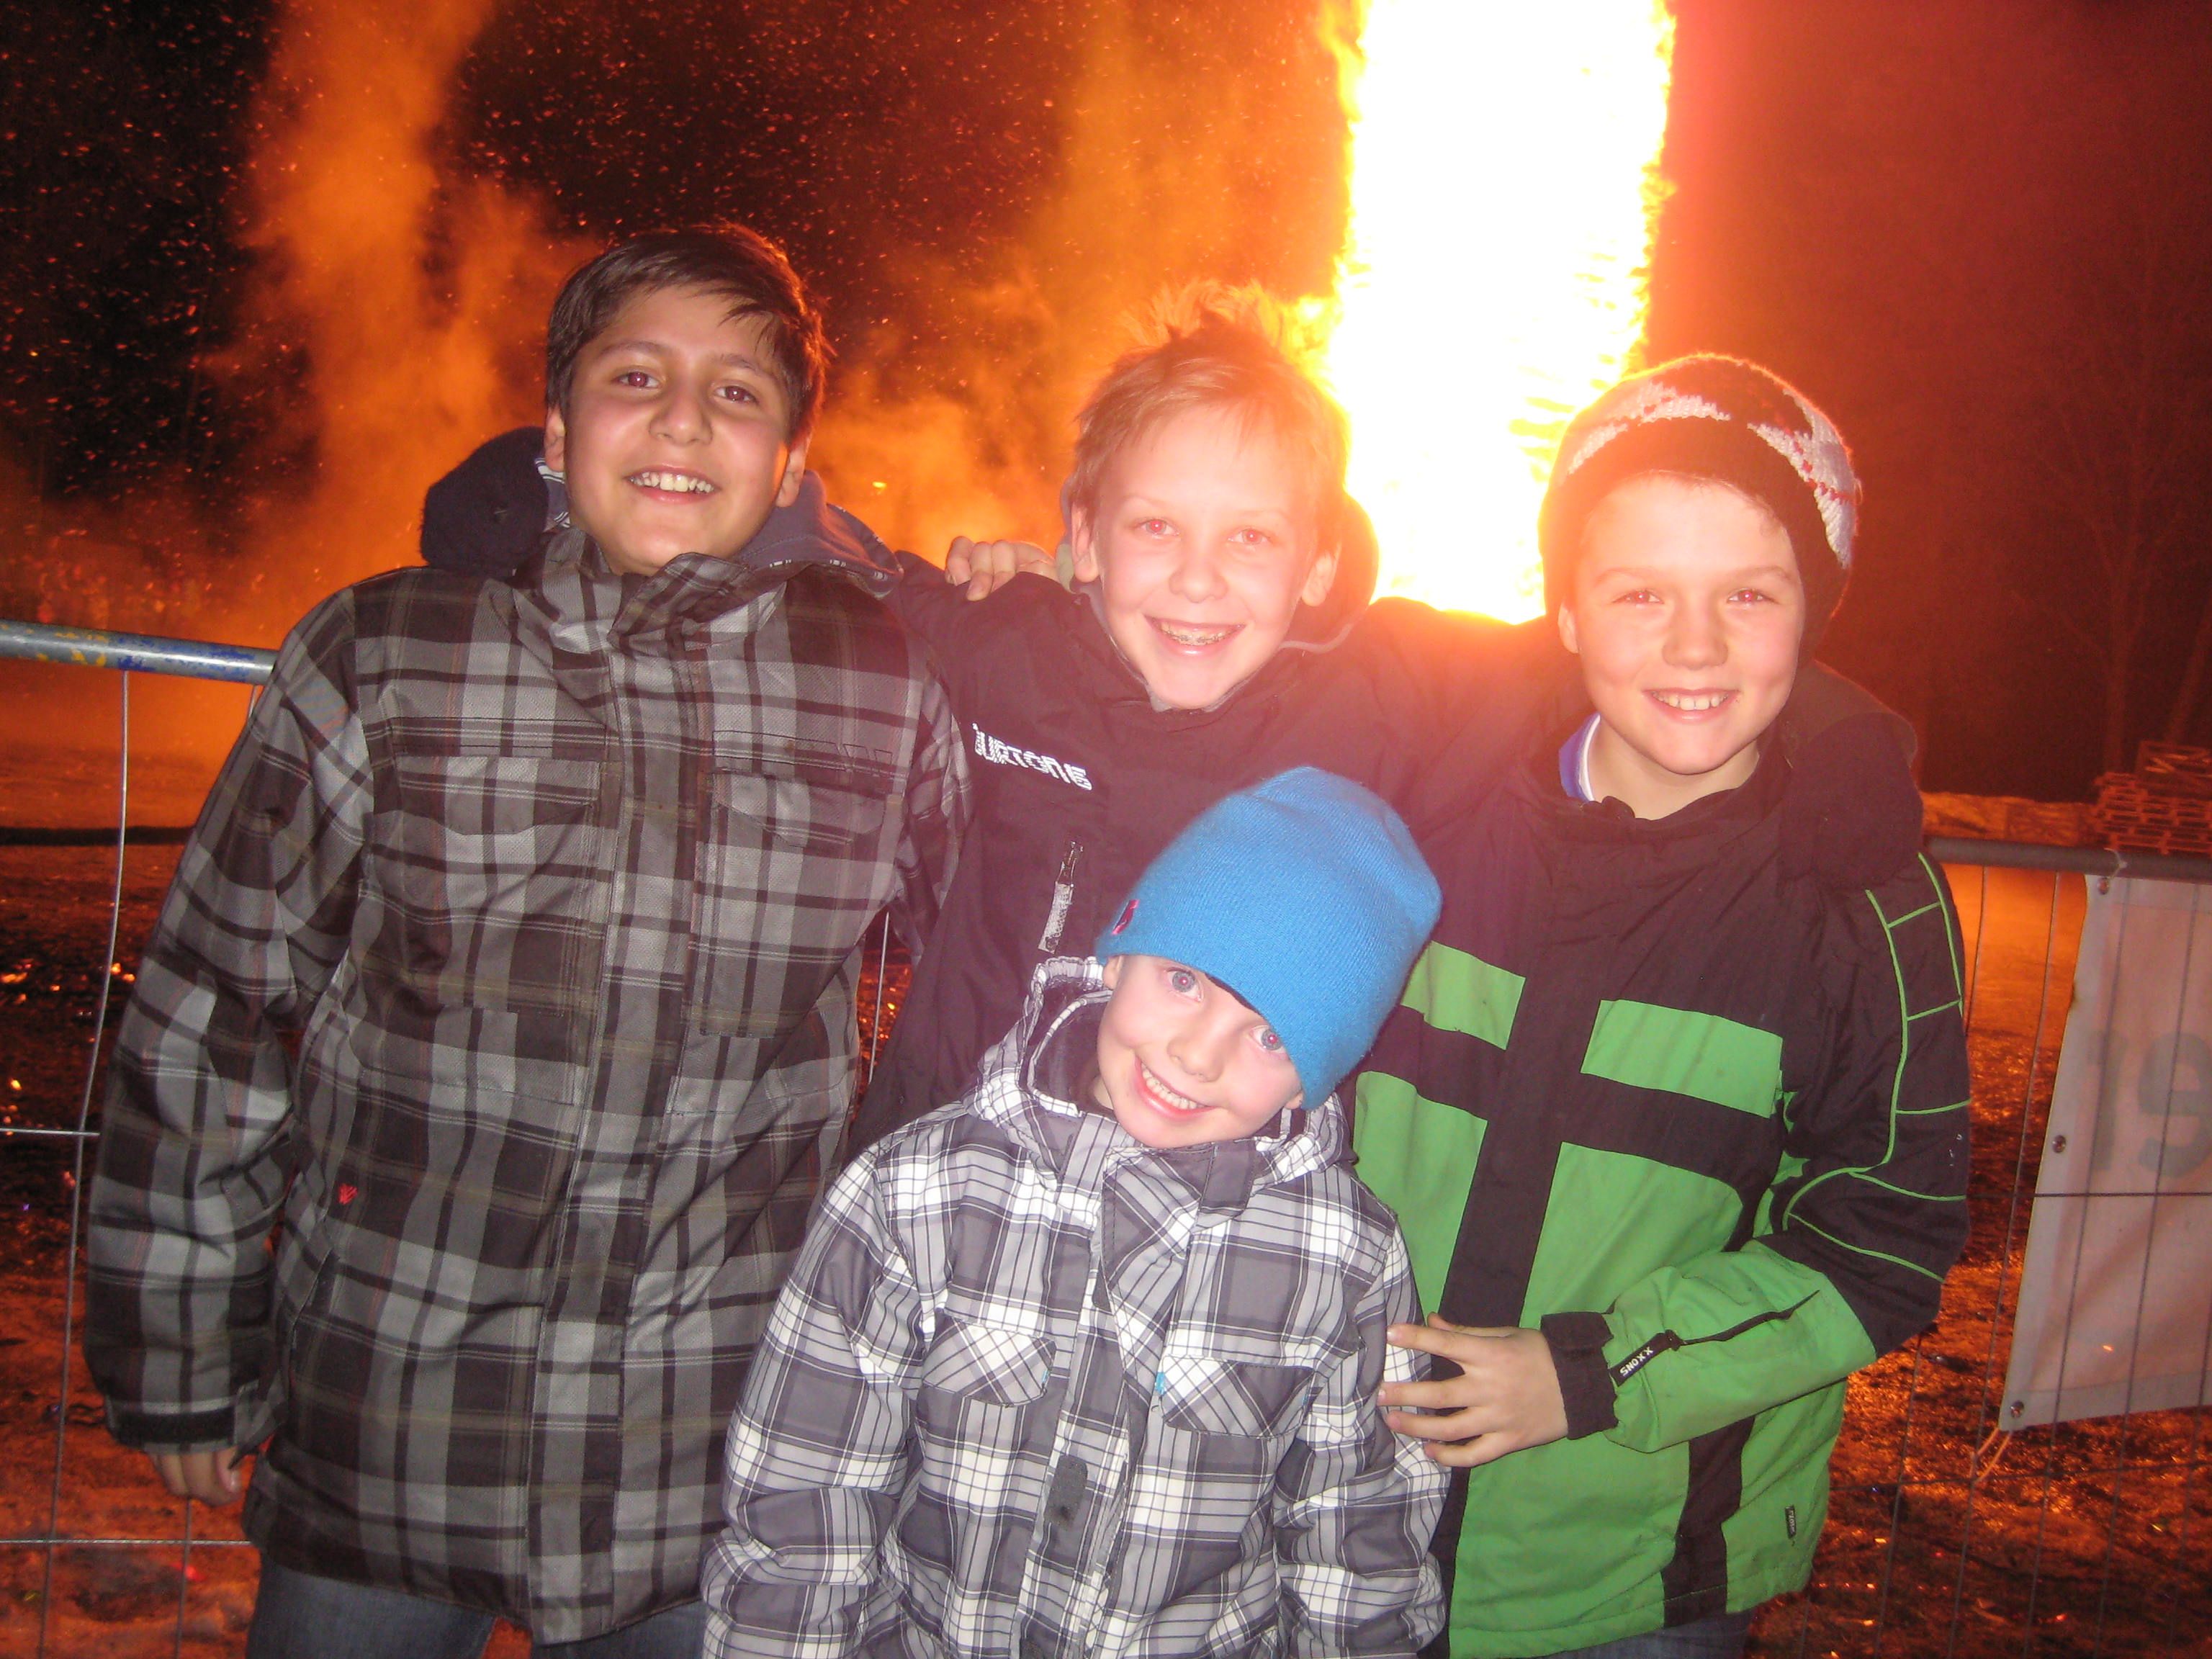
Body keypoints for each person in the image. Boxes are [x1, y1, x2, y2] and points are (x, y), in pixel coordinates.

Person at [418, 290, 1928, 1157]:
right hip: (943, 1181)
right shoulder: (1001, 651)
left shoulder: (1376, 697)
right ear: (1080, 538)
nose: (1199, 582)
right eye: (1155, 529)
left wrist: (1832, 734)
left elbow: (1623, 637)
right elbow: (813, 546)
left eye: (1252, 539)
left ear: (1320, 564)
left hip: (1216, 1226)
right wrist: (535, 492)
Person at [84, 225, 968, 1658]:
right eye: (637, 377)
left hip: (703, 1452)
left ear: (792, 467)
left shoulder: (877, 680)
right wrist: (179, 1348)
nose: (684, 421)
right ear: (555, 433)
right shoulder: (386, 651)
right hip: (392, 1415)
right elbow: (215, 1004)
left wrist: (1038, 632)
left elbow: (1003, 940)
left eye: (738, 392)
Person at [1354, 356, 1972, 1658]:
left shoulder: (1865, 907)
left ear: (1812, 615)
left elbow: (1883, 1243)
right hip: (1329, 1523)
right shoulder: (1433, 802)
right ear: (1566, 611)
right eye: (1640, 593)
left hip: (1634, 1579)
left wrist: (1594, 1371)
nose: (1694, 646)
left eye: (1748, 593)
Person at [701, 768, 1449, 1659]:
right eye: (1184, 980)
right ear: (1115, 958)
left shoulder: (1349, 1258)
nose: (1196, 1056)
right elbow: (803, 1505)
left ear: (1315, 1078)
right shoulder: (918, 1189)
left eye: (1271, 1035)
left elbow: (1354, 1552)